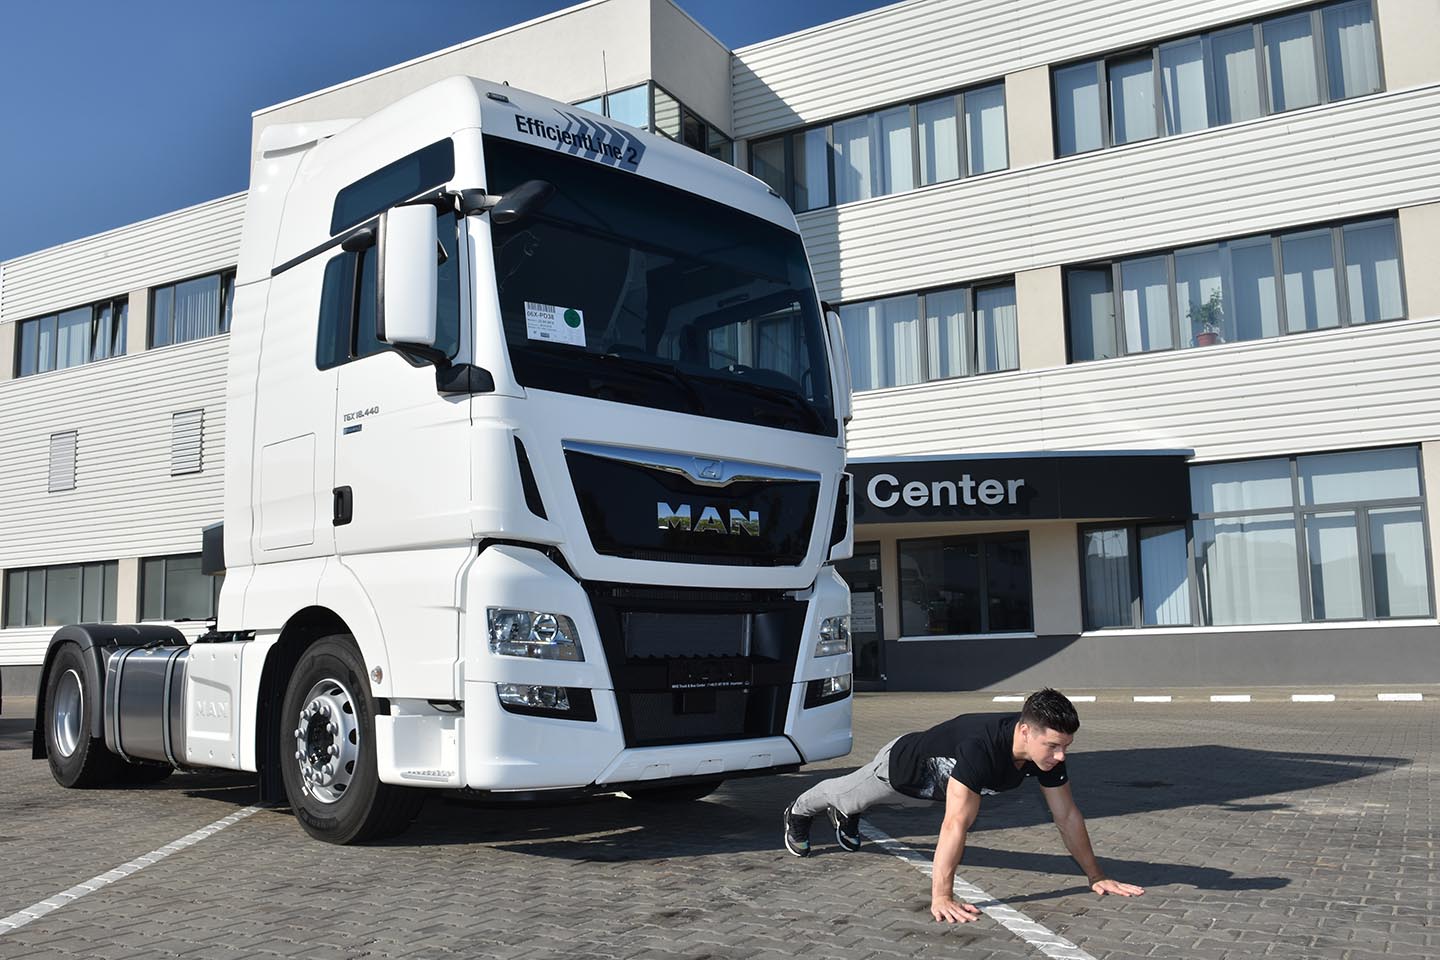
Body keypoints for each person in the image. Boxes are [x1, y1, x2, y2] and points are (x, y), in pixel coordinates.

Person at [782, 687, 1145, 923]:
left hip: (929, 795)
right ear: (1025, 731)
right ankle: (797, 811)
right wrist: (942, 896)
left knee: (874, 806)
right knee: (843, 793)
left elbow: (1066, 815)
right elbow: (955, 823)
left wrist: (1096, 876)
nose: (1061, 755)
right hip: (897, 772)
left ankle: (848, 815)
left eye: (1066, 746)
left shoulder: (1046, 758)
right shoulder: (980, 748)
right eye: (1053, 745)